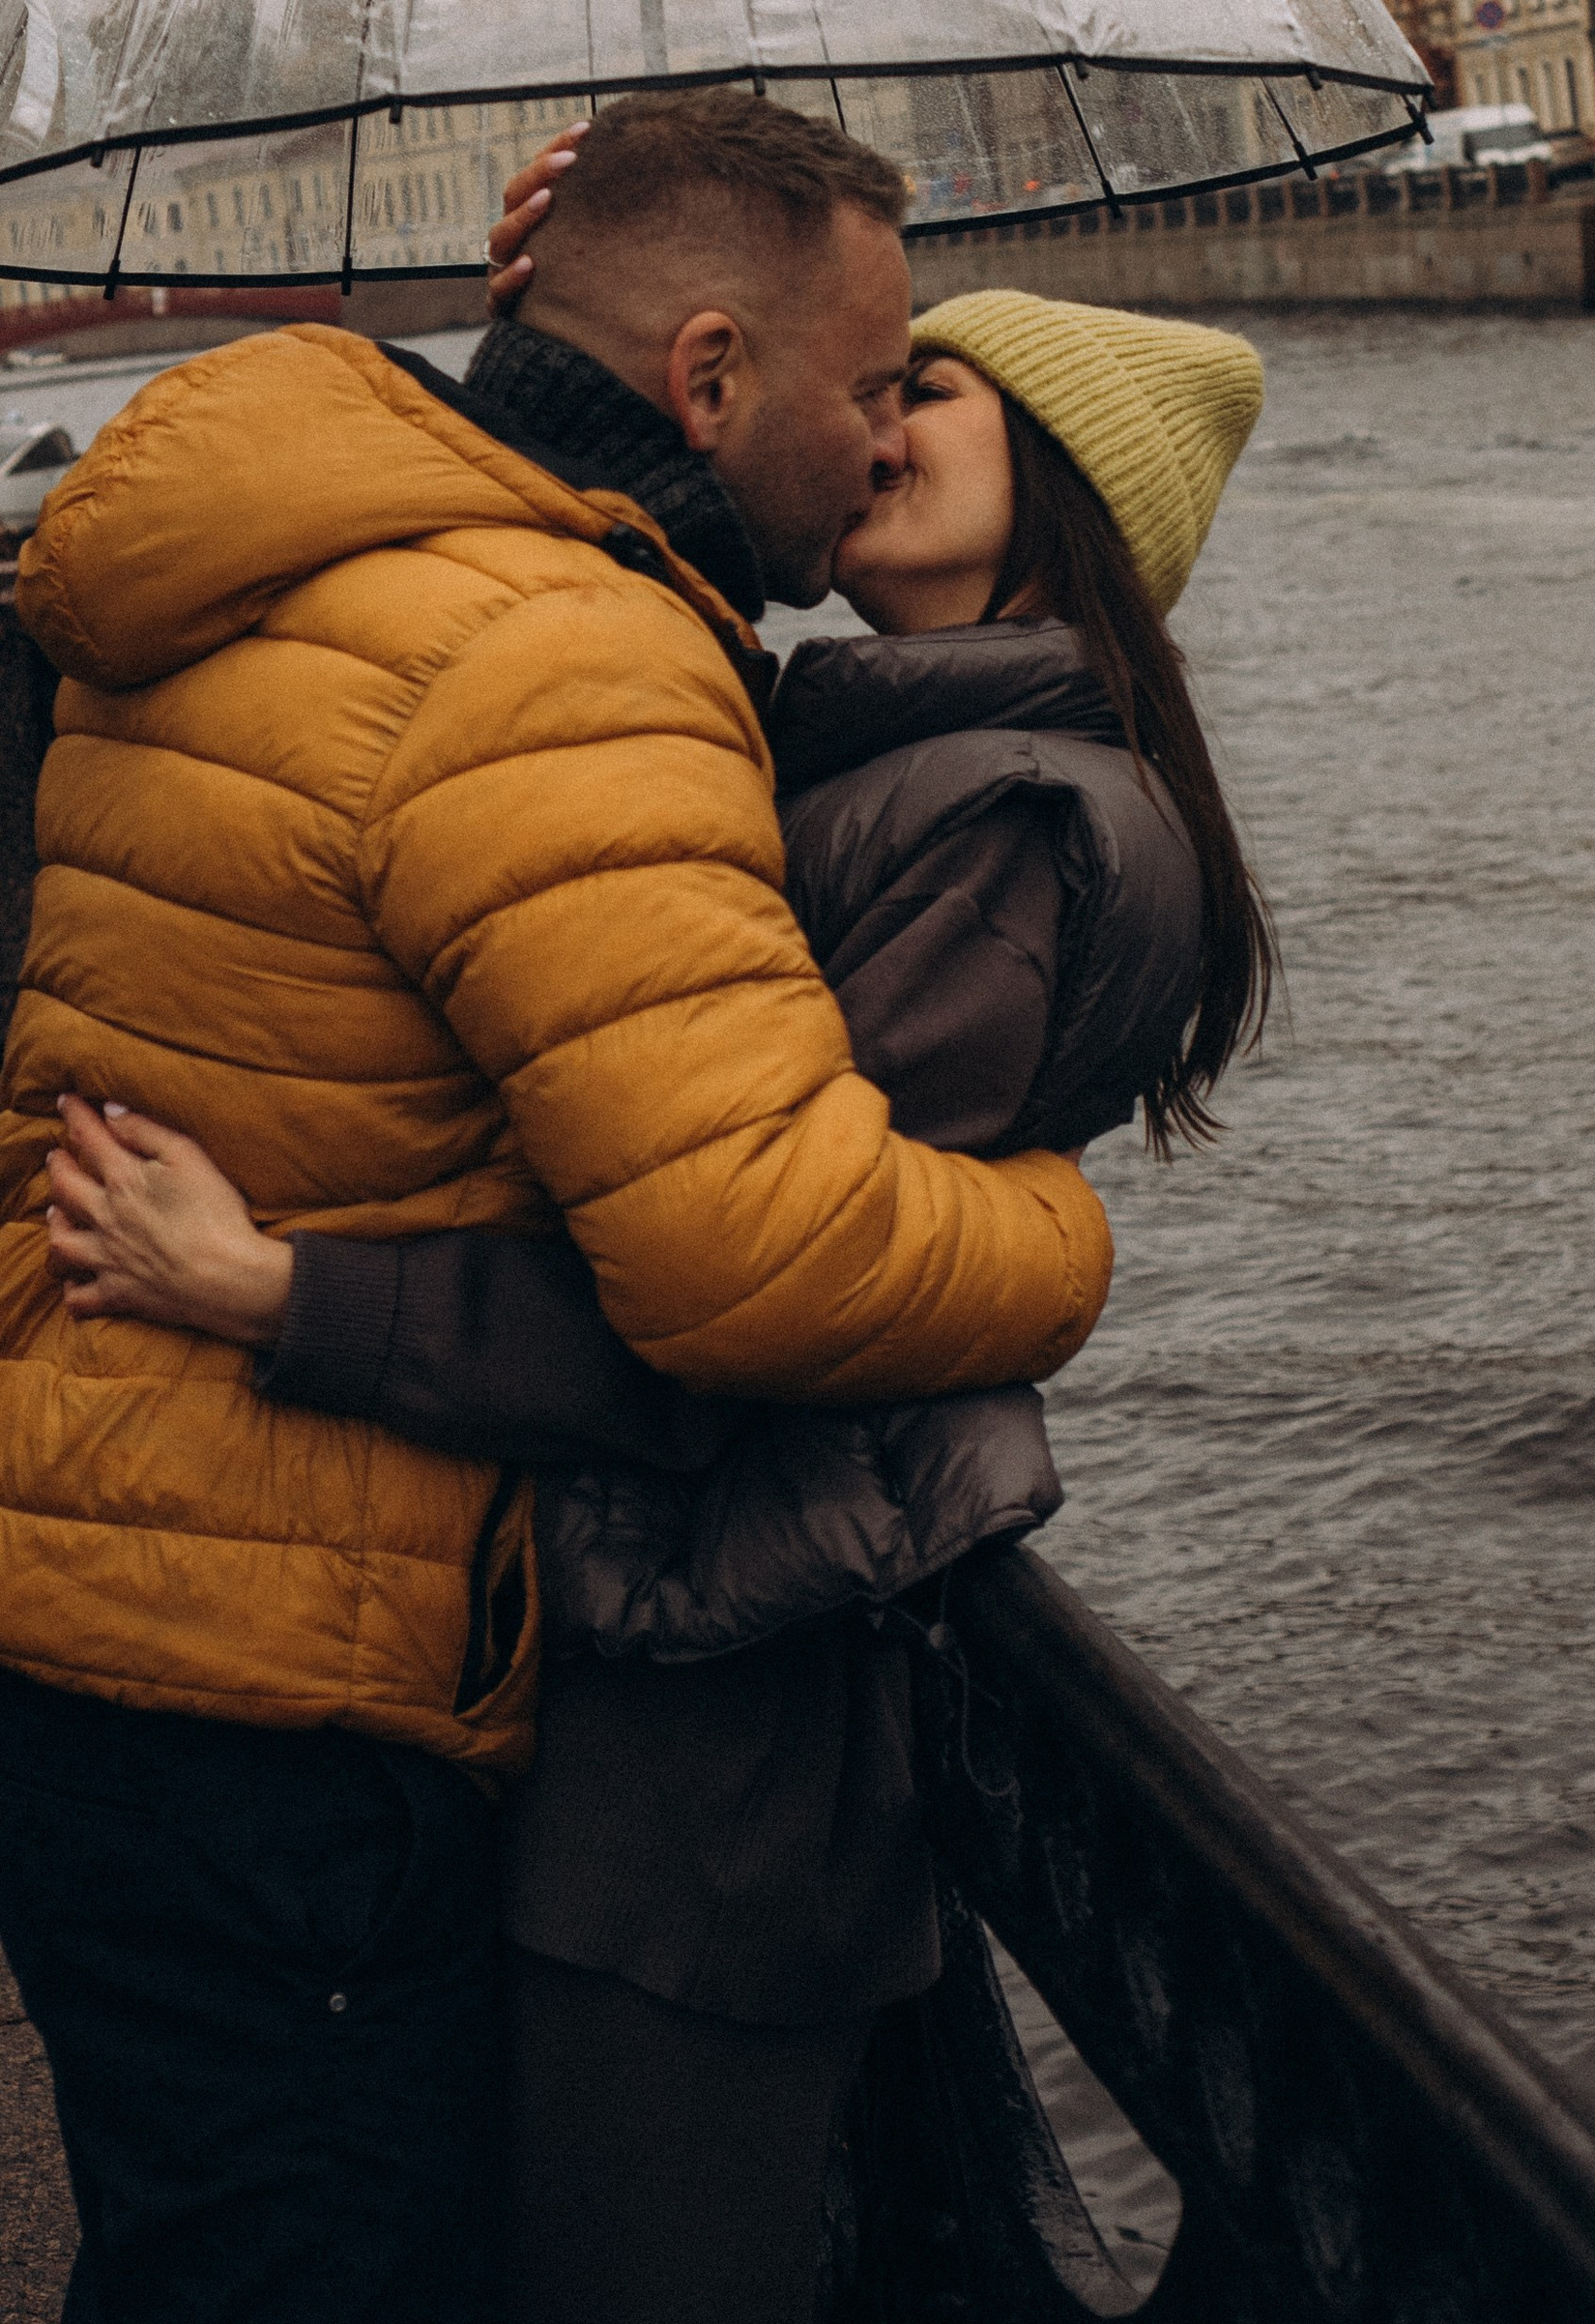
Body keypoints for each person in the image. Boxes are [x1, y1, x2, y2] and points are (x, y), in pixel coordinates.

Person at [41, 243, 1271, 2323]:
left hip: (710, 1758)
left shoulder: (1013, 822)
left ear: (1065, 487)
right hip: (609, 1677)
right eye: (870, 382)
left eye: (928, 396)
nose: (869, 424)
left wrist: (286, 1297)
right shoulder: (836, 745)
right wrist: (574, 333)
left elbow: (749, 1327)